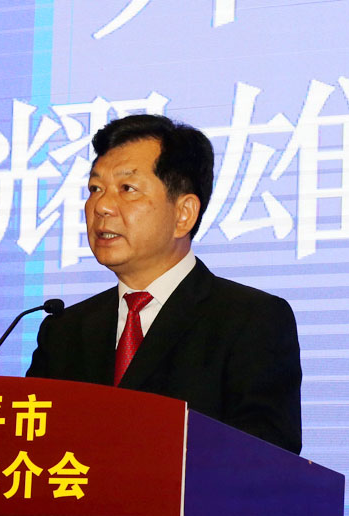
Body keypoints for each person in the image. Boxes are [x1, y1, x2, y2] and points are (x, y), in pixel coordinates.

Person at [25, 114, 302, 454]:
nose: (102, 206)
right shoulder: (64, 330)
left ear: (184, 214)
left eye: (127, 189)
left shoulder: (250, 320)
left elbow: (266, 457)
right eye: (95, 189)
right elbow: (30, 446)